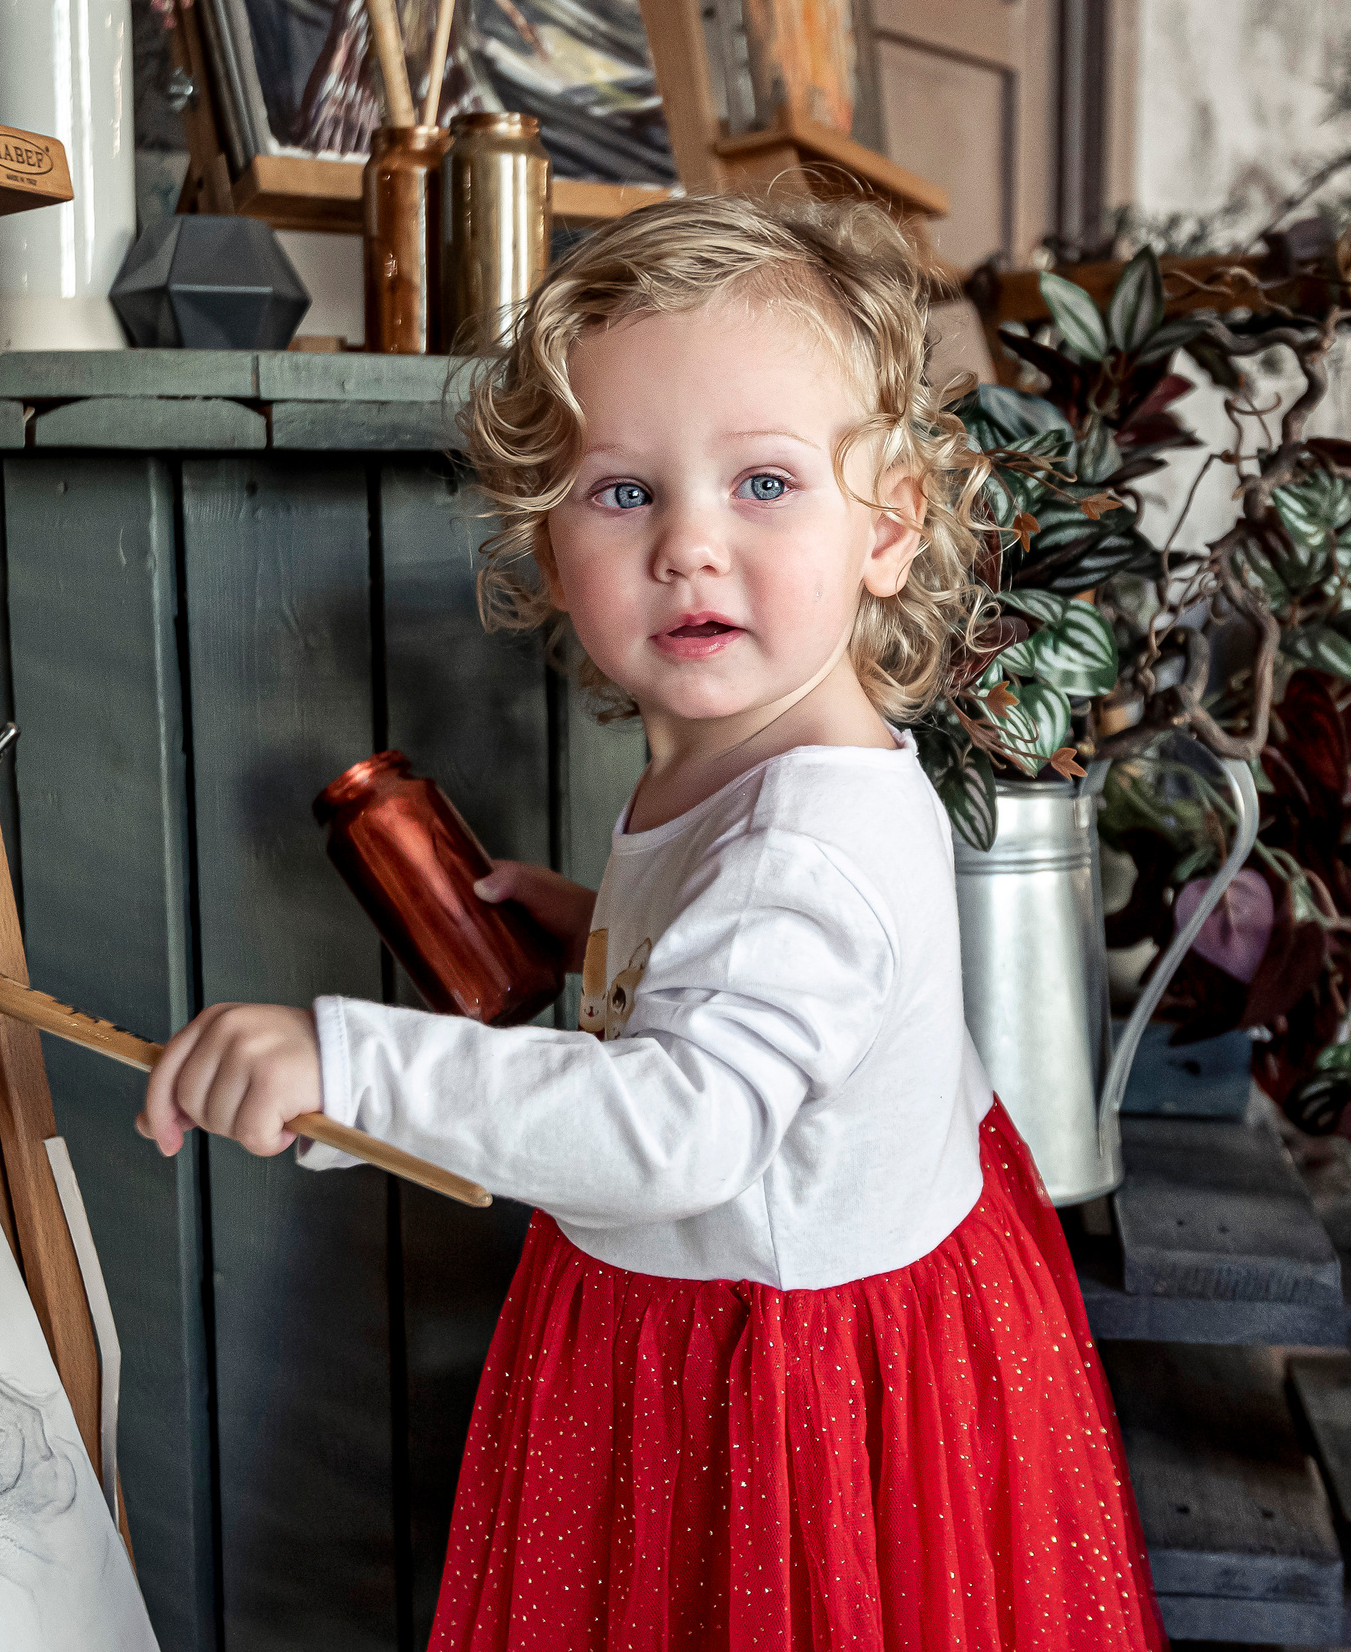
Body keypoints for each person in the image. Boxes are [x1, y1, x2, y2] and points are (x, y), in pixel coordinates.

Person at [135, 194, 1165, 1651]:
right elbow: (740, 958)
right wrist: (594, 927)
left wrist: (347, 1065)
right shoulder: (749, 749)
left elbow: (683, 1127)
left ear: (889, 527)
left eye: (762, 483)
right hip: (787, 1301)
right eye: (625, 492)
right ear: (555, 552)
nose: (689, 543)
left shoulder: (811, 837)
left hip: (775, 1384)